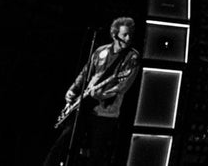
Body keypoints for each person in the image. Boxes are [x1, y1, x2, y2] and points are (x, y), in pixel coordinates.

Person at [44, 16, 141, 166]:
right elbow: (85, 73)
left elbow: (123, 86)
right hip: (84, 105)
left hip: (106, 112)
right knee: (63, 143)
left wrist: (102, 95)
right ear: (114, 35)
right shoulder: (100, 51)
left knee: (97, 155)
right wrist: (72, 90)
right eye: (124, 35)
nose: (128, 38)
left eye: (130, 35)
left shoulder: (132, 57)